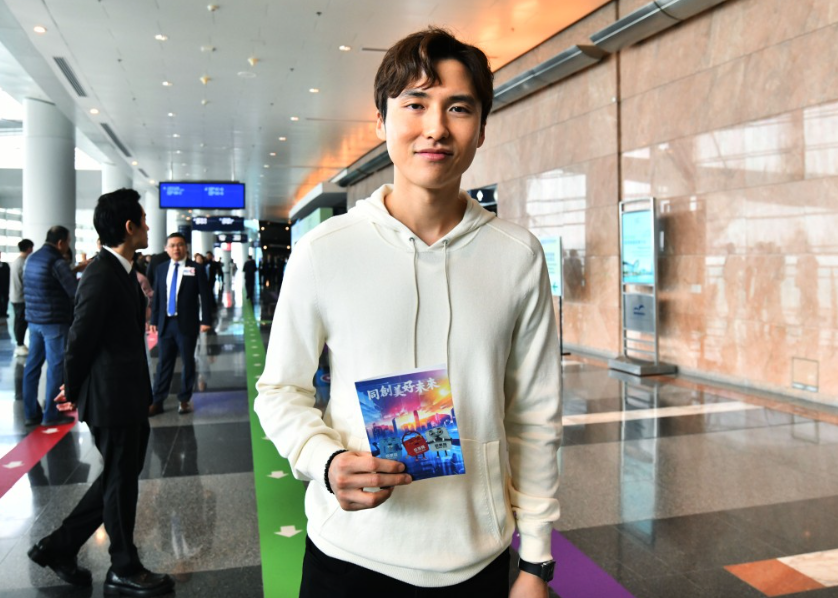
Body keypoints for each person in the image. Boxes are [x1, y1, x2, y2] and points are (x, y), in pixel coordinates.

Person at [255, 28, 561, 598]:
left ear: (482, 128)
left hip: (477, 557)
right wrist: (325, 461)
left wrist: (536, 561)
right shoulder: (325, 251)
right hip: (349, 553)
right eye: (415, 104)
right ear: (380, 121)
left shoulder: (517, 255)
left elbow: (535, 414)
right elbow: (280, 391)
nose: (436, 127)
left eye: (458, 108)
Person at [28, 188, 175, 596]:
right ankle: (124, 566)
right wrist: (72, 389)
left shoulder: (123, 270)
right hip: (110, 398)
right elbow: (80, 337)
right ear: (129, 227)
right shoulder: (101, 273)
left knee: (118, 476)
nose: (147, 226)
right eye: (143, 220)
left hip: (126, 393)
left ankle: (58, 547)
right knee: (120, 482)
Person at [148, 232, 213, 416]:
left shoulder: (196, 268)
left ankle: (184, 399)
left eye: (180, 244)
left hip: (186, 323)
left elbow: (205, 296)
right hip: (166, 323)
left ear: (186, 248)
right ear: (166, 249)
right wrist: (154, 320)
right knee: (164, 363)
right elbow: (158, 296)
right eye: (172, 245)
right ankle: (157, 400)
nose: (176, 248)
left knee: (187, 361)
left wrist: (206, 320)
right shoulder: (161, 269)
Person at [22, 226, 79, 427]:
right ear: (61, 242)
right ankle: (51, 414)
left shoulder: (32, 259)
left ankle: (30, 413)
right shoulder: (57, 261)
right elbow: (74, 291)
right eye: (68, 242)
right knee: (55, 368)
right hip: (54, 322)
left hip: (34, 321)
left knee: (32, 366)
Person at [10, 239, 35, 356]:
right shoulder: (23, 262)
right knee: (21, 322)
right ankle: (20, 345)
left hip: (16, 296)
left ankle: (19, 344)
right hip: (21, 298)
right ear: (29, 248)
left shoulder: (17, 261)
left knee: (19, 321)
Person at [0, 251, 10, 319]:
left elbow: (9, 275)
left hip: (5, 286)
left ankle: (4, 312)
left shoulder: (5, 265)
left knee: (6, 299)